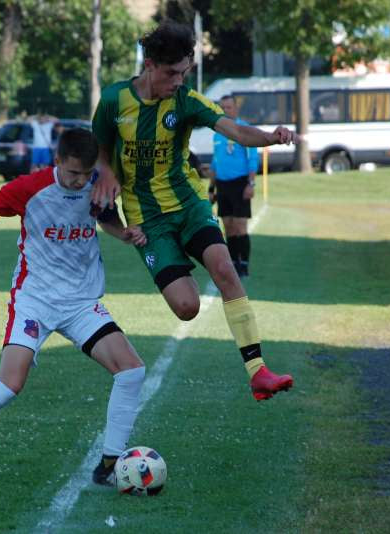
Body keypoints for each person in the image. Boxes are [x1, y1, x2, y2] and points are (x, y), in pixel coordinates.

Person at [0, 128, 148, 491]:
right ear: (56, 161)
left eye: (86, 174)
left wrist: (124, 234)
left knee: (131, 371)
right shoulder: (28, 188)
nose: (79, 181)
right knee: (9, 385)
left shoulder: (97, 184)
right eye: (72, 173)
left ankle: (108, 465)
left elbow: (106, 218)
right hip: (35, 300)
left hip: (81, 302)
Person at [91, 21, 299, 402]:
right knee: (186, 307)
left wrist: (269, 137)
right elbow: (101, 149)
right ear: (149, 65)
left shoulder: (186, 100)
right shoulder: (113, 101)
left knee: (224, 267)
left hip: (188, 204)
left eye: (184, 72)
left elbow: (233, 130)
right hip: (147, 218)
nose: (178, 81)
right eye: (172, 73)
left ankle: (258, 371)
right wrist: (106, 173)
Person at [209, 95, 259, 279]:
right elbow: (215, 162)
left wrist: (250, 184)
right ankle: (234, 264)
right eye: (222, 108)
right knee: (228, 226)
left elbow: (253, 159)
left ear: (236, 109)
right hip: (223, 185)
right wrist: (211, 188)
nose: (225, 111)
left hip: (240, 184)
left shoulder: (243, 129)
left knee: (240, 226)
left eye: (228, 107)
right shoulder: (217, 133)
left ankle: (244, 264)